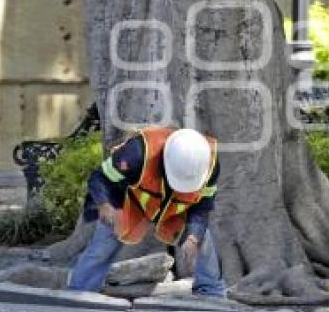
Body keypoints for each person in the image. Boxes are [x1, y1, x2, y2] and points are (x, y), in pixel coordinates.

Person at [68, 126, 225, 296]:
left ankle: (210, 291)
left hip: (174, 208)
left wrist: (193, 238)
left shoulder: (210, 163)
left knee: (202, 238)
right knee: (105, 240)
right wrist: (105, 205)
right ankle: (79, 290)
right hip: (131, 201)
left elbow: (202, 207)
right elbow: (100, 177)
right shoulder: (138, 152)